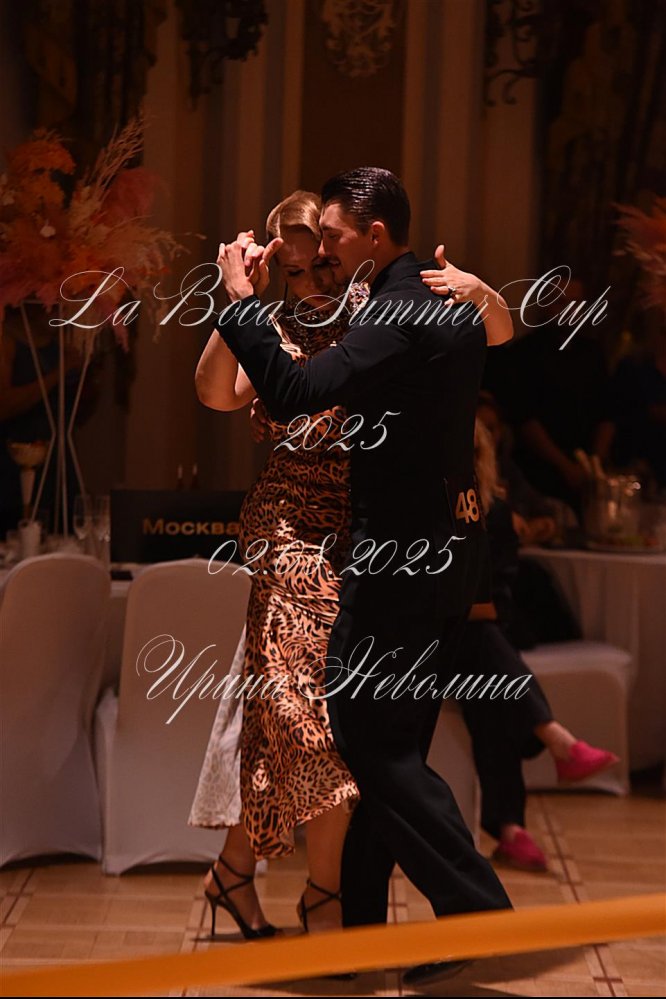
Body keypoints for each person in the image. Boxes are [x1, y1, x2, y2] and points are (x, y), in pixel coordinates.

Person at [214, 167, 514, 985]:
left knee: (368, 740)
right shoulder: (441, 298)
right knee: (394, 745)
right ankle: (365, 930)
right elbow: (500, 336)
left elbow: (294, 390)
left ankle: (477, 907)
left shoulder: (391, 315)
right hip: (453, 549)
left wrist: (237, 298)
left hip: (400, 561)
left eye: (334, 237)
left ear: (373, 236)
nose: (324, 249)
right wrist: (488, 294)